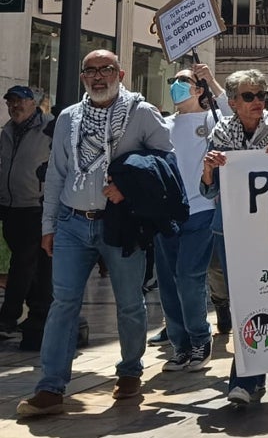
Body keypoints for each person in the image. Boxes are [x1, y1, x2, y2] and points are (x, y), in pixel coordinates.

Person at [17, 51, 175, 418]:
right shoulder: (70, 118)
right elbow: (57, 174)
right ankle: (51, 387)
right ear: (83, 77)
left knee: (130, 303)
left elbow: (167, 162)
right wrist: (49, 225)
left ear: (120, 73)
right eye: (90, 71)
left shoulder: (141, 113)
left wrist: (129, 189)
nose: (98, 77)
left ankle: (130, 371)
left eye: (106, 70)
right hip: (72, 222)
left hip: (120, 224)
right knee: (63, 303)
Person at [200, 70, 268, 406]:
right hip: (230, 230)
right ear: (231, 103)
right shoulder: (220, 132)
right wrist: (209, 169)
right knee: (243, 301)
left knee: (261, 300)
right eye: (249, 96)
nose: (257, 101)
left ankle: (245, 377)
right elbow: (208, 189)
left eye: (261, 95)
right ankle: (251, 375)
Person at [157, 64, 229, 376]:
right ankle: (180, 345)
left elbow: (231, 113)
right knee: (169, 281)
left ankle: (200, 339)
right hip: (166, 213)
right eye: (173, 81)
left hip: (201, 209)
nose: (176, 86)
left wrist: (212, 80)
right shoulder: (163, 124)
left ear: (198, 90)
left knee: (189, 276)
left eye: (184, 81)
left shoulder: (212, 119)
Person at [0, 86, 52, 351]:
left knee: (23, 262)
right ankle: (37, 312)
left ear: (33, 103)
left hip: (36, 206)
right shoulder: (7, 130)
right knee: (32, 266)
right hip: (10, 206)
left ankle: (7, 317)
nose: (14, 106)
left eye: (19, 101)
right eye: (10, 102)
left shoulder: (49, 128)